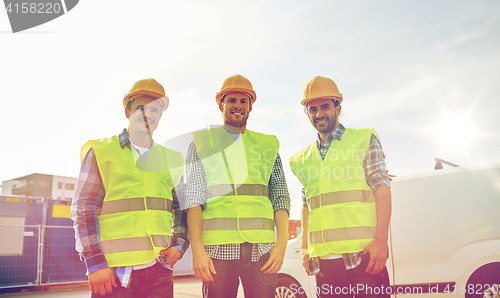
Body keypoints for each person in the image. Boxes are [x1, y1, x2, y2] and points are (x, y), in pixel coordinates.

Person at [70, 78, 189, 297]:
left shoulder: (171, 159)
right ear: (127, 111)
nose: (148, 114)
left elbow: (182, 207)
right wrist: (95, 264)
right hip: (113, 275)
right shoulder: (101, 151)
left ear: (161, 115)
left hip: (159, 271)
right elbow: (83, 208)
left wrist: (179, 244)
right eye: (141, 108)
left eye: (155, 109)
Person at [185, 74, 290, 298]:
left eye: (244, 101)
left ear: (251, 106)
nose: (238, 106)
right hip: (217, 252)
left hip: (262, 251)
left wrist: (281, 244)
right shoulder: (202, 144)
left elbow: (280, 197)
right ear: (220, 103)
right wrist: (197, 250)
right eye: (231, 100)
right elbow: (193, 198)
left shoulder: (267, 146)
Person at [290, 76, 392, 298]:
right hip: (325, 265)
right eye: (312, 109)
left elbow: (382, 187)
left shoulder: (364, 139)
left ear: (338, 105)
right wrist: (306, 248)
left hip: (364, 258)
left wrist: (381, 241)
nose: (319, 114)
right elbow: (307, 204)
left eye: (325, 107)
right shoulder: (301, 158)